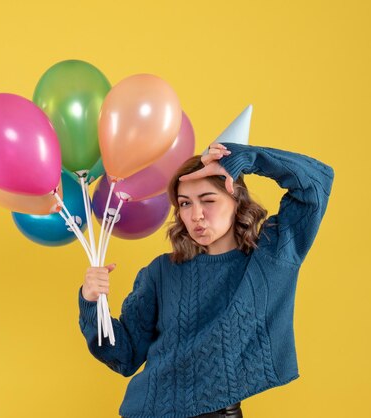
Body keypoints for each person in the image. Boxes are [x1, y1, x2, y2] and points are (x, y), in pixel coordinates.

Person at [78, 142, 335, 418]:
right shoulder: (161, 272)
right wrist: (92, 304)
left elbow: (317, 182)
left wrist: (249, 159)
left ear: (236, 200)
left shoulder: (270, 257)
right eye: (185, 203)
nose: (195, 215)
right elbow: (125, 356)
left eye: (208, 200)